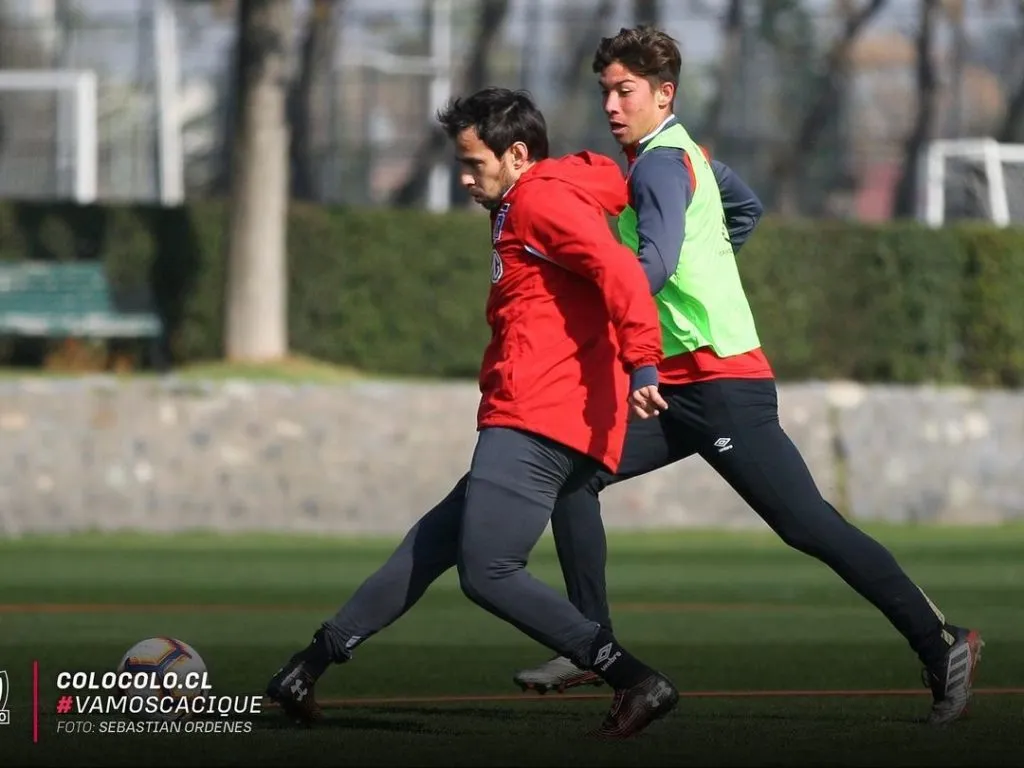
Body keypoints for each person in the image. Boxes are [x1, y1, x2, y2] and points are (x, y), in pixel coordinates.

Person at [510, 26, 983, 727]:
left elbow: (657, 266)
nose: (611, 104)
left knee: (809, 525)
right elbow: (746, 208)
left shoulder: (661, 165)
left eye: (625, 91)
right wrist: (710, 267)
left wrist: (608, 292)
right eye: (605, 91)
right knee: (575, 477)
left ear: (662, 93)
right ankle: (593, 645)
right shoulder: (686, 155)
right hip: (675, 386)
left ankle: (941, 642)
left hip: (724, 388)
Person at [265, 86, 680, 739]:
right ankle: (305, 668)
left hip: (539, 416)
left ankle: (633, 678)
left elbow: (619, 272)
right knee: (433, 543)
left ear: (517, 154)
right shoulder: (524, 199)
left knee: (488, 572)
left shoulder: (540, 200)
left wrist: (646, 361)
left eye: (473, 164)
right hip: (540, 412)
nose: (462, 178)